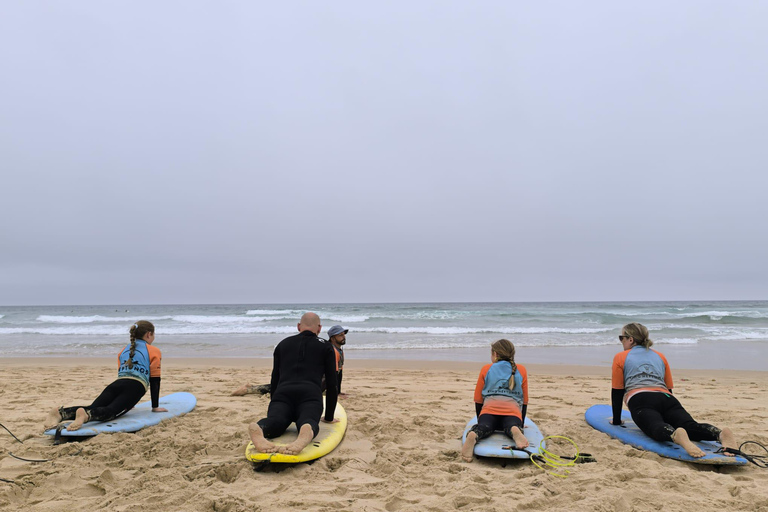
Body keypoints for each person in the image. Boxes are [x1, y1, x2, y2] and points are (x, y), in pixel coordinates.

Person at [611, 322, 738, 458]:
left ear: (630, 340)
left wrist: (617, 420)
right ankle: (719, 434)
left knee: (654, 426)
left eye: (621, 338)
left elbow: (617, 390)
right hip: (667, 398)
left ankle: (674, 435)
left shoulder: (620, 357)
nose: (621, 341)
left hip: (640, 399)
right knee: (690, 426)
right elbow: (668, 388)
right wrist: (669, 413)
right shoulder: (660, 356)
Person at [44, 320, 167, 431]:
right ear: (149, 334)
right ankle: (86, 417)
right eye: (153, 334)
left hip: (116, 384)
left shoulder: (123, 351)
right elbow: (155, 380)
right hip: (136, 386)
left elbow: (122, 374)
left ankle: (61, 413)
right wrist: (155, 407)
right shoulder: (154, 351)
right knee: (111, 412)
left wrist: (128, 401)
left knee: (92, 407)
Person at [248, 312, 339, 455]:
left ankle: (261, 427)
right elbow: (332, 383)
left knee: (276, 421)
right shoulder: (326, 347)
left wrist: (275, 402)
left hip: (283, 394)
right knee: (308, 420)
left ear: (298, 326)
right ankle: (306, 430)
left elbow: (275, 378)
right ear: (319, 328)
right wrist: (328, 417)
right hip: (310, 396)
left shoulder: (282, 344)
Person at [461, 339, 529, 463]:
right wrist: (521, 423)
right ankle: (515, 430)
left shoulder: (486, 369)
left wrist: (480, 419)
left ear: (495, 354)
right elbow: (524, 401)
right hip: (512, 413)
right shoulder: (521, 370)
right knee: (510, 425)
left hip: (488, 411)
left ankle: (474, 435)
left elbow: (478, 399)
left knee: (485, 427)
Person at [327, 325, 348, 397]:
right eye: (340, 335)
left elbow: (339, 373)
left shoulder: (339, 350)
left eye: (344, 334)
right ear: (332, 338)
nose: (344, 337)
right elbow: (334, 374)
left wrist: (338, 391)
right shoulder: (332, 351)